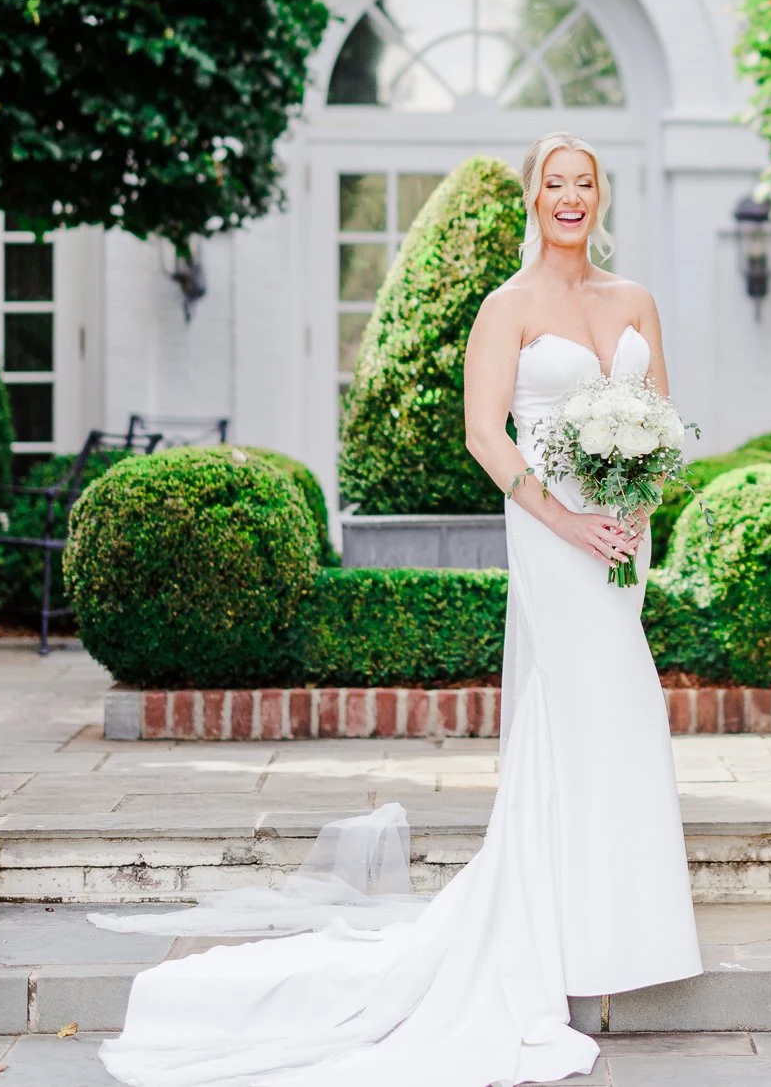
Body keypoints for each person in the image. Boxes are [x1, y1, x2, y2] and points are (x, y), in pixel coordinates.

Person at [93, 132, 701, 1086]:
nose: (571, 197)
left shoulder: (635, 302)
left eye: (585, 183)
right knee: (576, 714)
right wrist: (566, 519)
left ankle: (621, 931)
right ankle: (554, 937)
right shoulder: (506, 307)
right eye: (555, 184)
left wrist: (630, 509)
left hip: (622, 535)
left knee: (625, 714)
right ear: (534, 200)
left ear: (601, 196)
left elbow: (661, 419)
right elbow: (484, 432)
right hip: (550, 534)